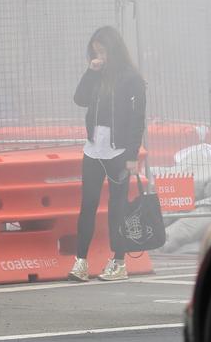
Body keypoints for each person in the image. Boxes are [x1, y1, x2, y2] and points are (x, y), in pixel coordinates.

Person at [68, 26, 146, 282]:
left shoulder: (131, 78)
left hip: (119, 151)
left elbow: (138, 119)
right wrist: (91, 72)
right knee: (87, 204)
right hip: (93, 149)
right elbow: (79, 99)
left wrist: (133, 154)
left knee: (117, 206)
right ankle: (80, 261)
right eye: (95, 50)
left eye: (103, 50)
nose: (99, 55)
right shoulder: (96, 74)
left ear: (114, 49)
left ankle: (119, 261)